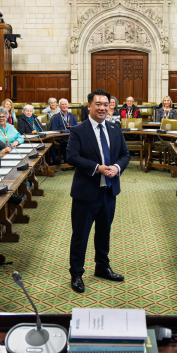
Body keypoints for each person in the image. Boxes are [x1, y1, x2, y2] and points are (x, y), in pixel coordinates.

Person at [66, 89, 130, 293]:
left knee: (104, 232)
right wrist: (98, 168)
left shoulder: (114, 128)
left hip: (109, 192)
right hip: (86, 193)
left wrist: (117, 167)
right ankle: (76, 273)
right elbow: (72, 157)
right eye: (98, 104)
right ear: (89, 106)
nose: (102, 108)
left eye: (106, 104)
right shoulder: (78, 130)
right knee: (81, 235)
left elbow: (125, 154)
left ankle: (102, 267)